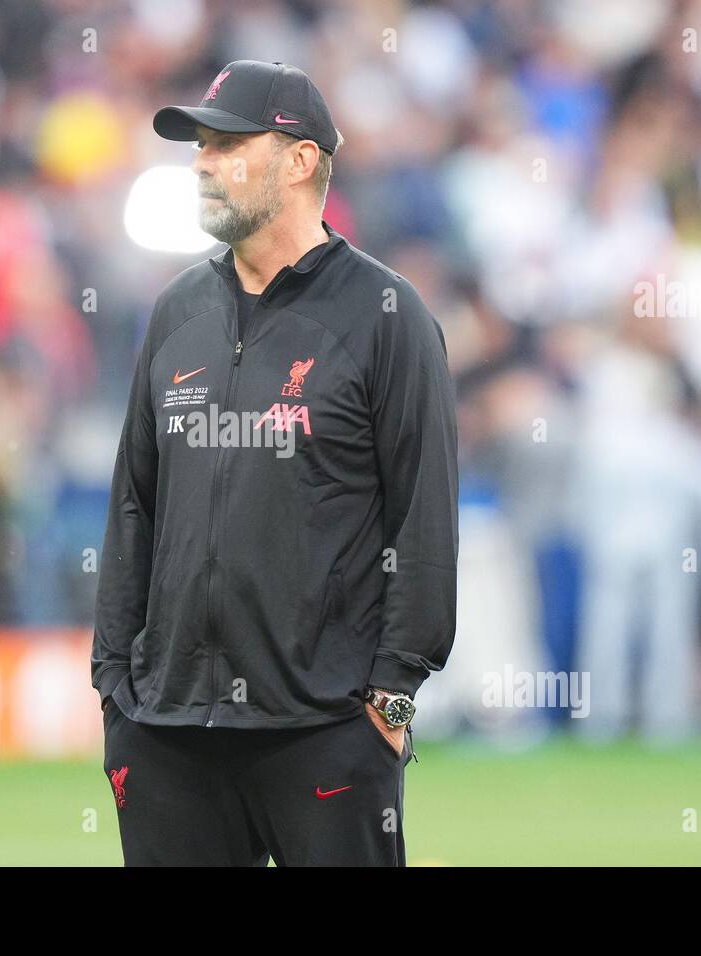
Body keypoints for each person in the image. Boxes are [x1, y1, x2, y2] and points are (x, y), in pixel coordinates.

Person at [90, 60, 459, 866]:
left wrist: (391, 698)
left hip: (324, 731)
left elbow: (423, 521)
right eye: (199, 145)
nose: (201, 161)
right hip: (167, 732)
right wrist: (115, 688)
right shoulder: (176, 310)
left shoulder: (386, 315)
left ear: (299, 160)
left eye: (225, 143)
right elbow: (132, 506)